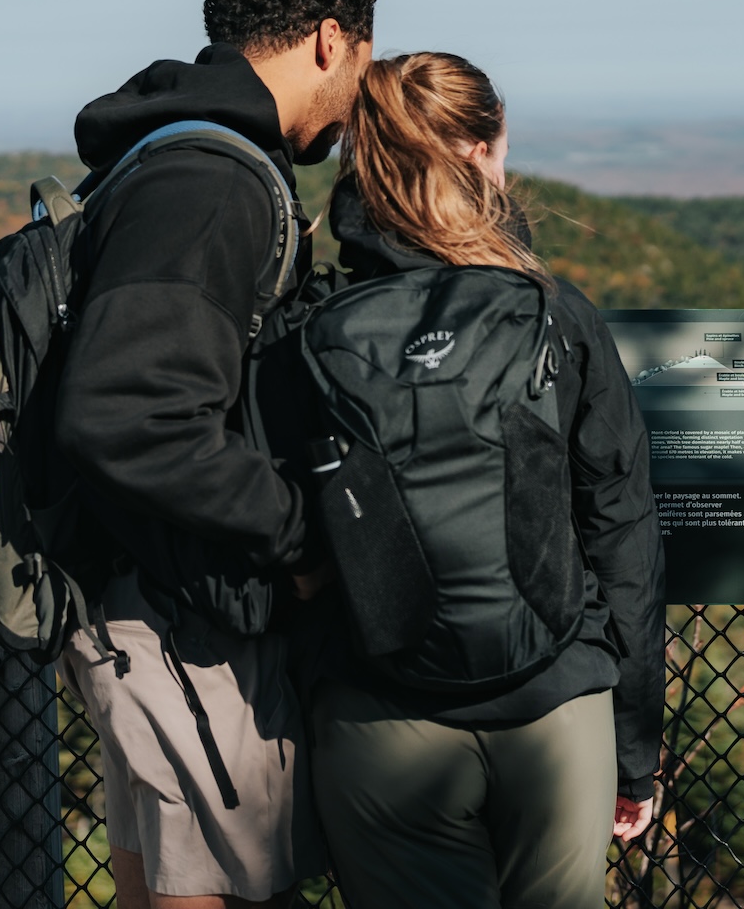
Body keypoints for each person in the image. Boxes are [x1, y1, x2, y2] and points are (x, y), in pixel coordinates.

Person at [53, 0, 376, 909]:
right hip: (181, 618)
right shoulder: (215, 184)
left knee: (162, 882)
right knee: (225, 888)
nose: (360, 93)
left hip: (142, 596)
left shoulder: (168, 155)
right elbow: (130, 411)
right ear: (330, 41)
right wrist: (298, 534)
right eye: (363, 61)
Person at [304, 52, 666, 909]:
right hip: (556, 707)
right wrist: (634, 749)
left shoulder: (311, 328)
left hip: (377, 714)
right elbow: (623, 532)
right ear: (478, 154)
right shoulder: (553, 314)